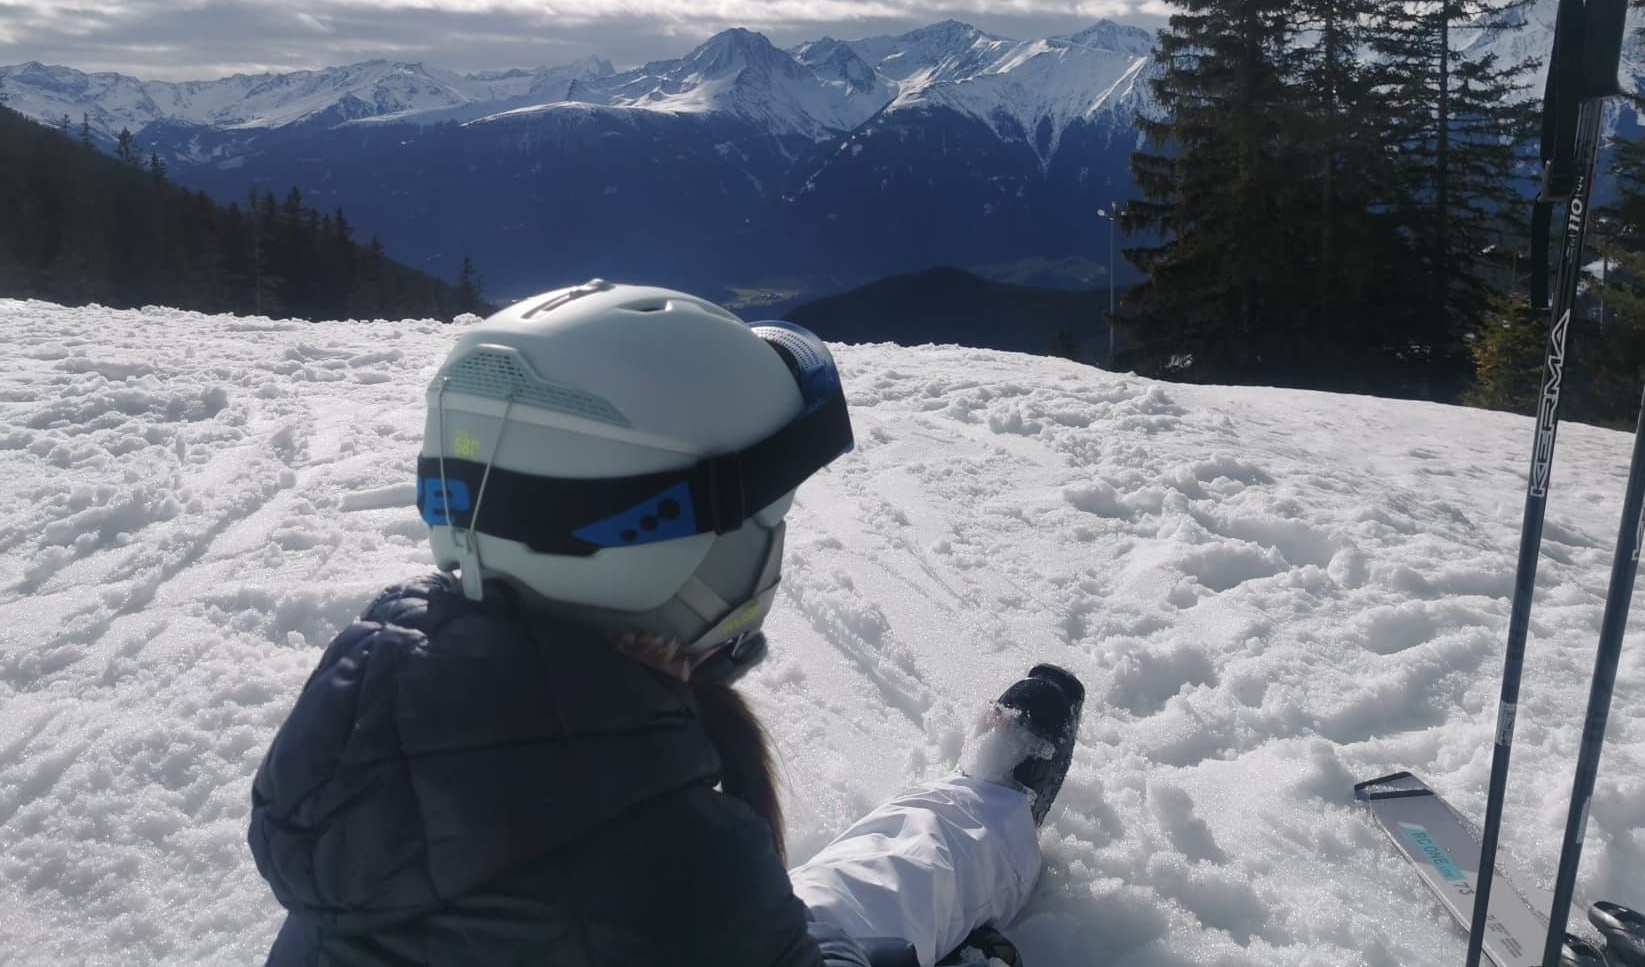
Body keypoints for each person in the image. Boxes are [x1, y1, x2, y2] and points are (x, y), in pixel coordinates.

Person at [246, 281, 1086, 967]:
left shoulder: (370, 739)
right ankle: (991, 811)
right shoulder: (680, 880)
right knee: (861, 909)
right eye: (771, 509)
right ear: (674, 547)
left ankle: (981, 812)